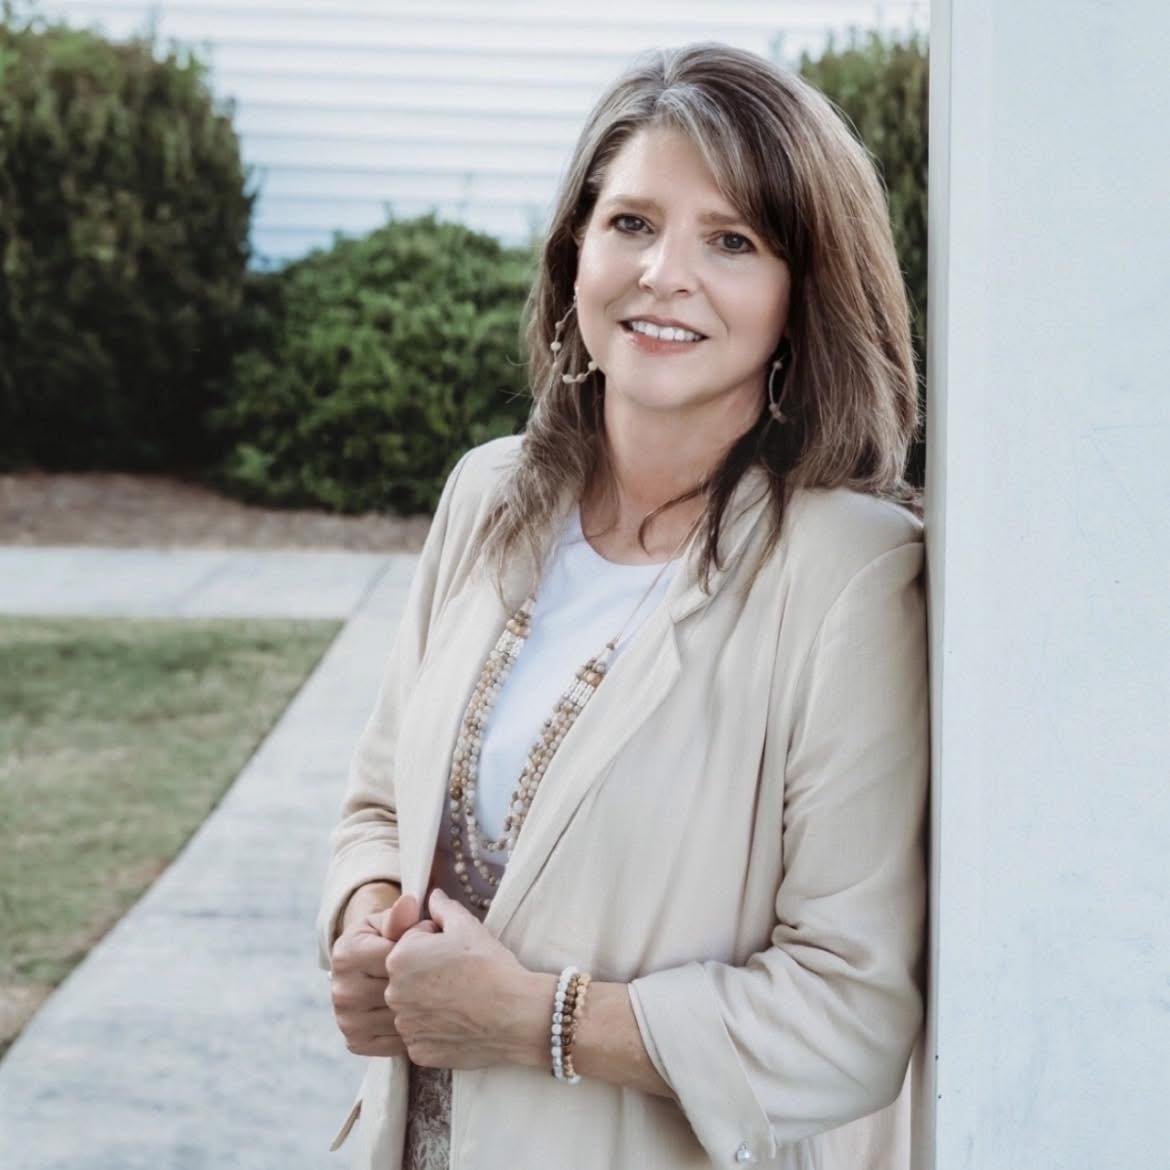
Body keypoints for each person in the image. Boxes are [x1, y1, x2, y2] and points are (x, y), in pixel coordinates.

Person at [316, 40, 929, 1170]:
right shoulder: (488, 496)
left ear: (800, 302)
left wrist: (538, 1022)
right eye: (632, 223)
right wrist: (363, 925)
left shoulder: (852, 573)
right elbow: (377, 808)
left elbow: (851, 1015)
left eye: (732, 241)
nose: (664, 274)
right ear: (575, 255)